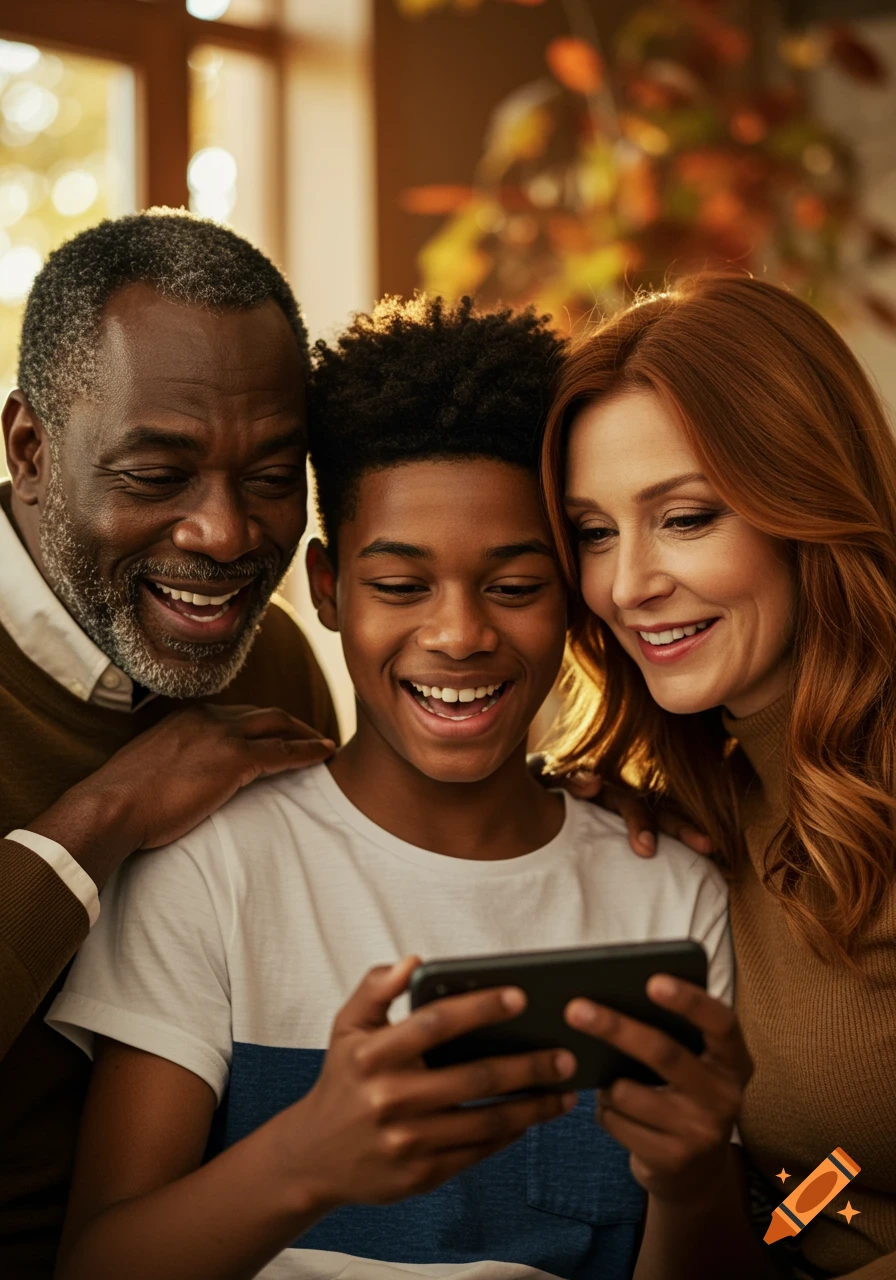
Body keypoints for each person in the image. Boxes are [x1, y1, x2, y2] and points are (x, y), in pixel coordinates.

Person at [48, 296, 759, 1280]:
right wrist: (303, 1158)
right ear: (329, 589)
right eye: (400, 585)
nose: (459, 632)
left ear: (571, 598)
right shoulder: (214, 868)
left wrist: (688, 1185)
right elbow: (95, 1259)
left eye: (513, 586)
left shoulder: (666, 887)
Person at [0, 210, 338, 1278]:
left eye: (274, 475)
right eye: (158, 474)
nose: (226, 533)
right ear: (31, 448)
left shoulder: (271, 656)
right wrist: (104, 815)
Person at [539, 273, 896, 1279]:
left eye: (685, 516)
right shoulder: (709, 802)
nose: (624, 582)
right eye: (595, 531)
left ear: (804, 500)